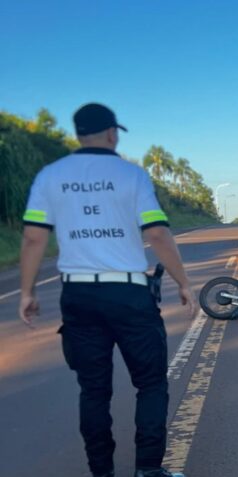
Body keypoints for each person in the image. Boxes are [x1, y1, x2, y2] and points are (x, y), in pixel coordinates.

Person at [18, 103, 196, 477]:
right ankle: (147, 470)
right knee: (150, 383)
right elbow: (158, 233)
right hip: (129, 295)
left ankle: (101, 472)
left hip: (78, 297)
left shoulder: (51, 176)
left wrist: (27, 291)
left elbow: (34, 238)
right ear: (113, 133)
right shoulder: (130, 176)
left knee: (93, 391)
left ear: (79, 134)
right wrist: (183, 283)